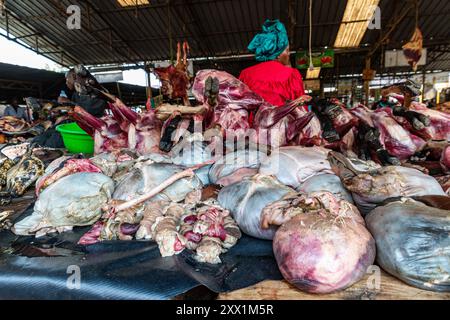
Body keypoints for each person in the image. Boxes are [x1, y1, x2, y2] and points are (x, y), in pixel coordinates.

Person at [239, 20, 306, 109]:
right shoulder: (292, 74)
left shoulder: (245, 74)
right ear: (278, 53)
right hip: (283, 122)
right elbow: (301, 108)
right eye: (287, 50)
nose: (289, 54)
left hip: (254, 122)